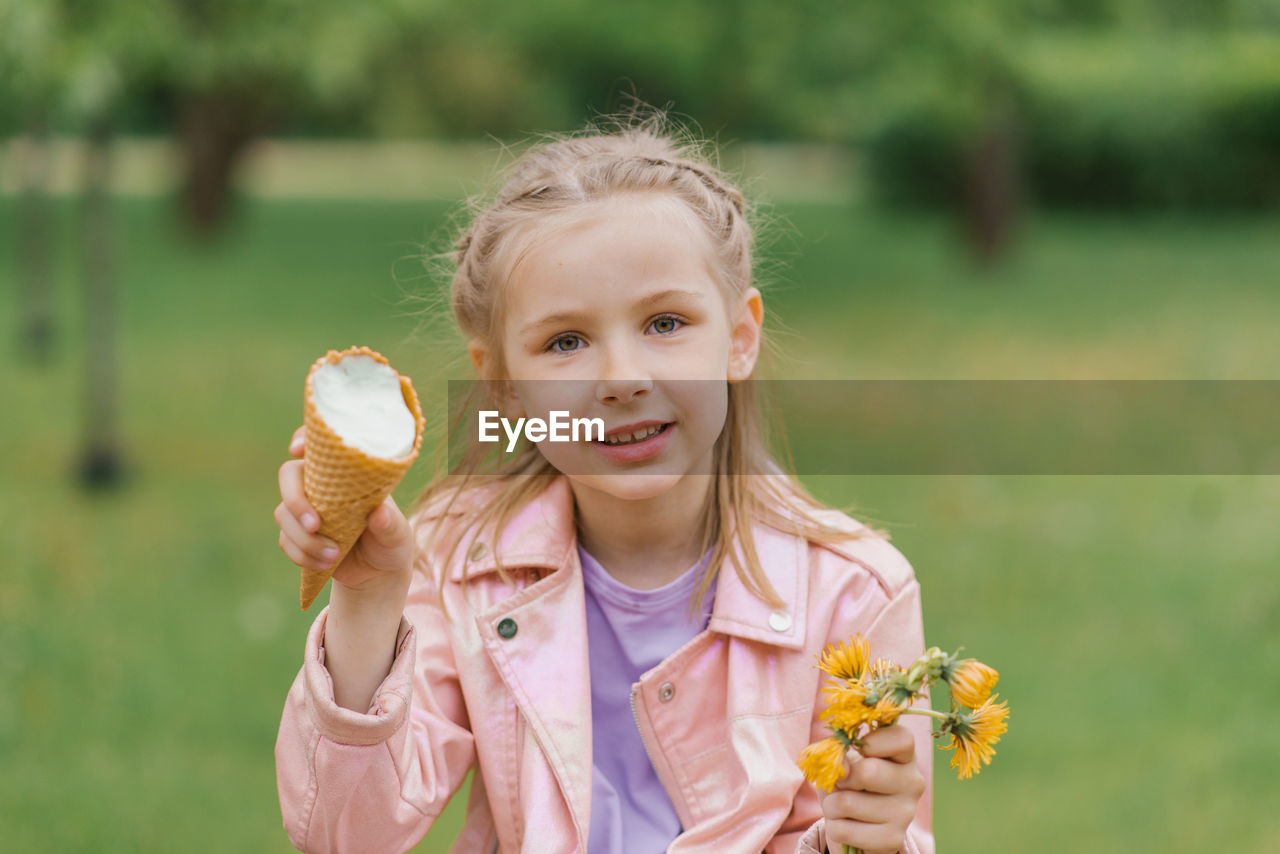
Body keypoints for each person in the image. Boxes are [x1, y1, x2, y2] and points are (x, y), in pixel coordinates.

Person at [273, 106, 933, 854]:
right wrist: (367, 597)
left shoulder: (856, 594)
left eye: (664, 324)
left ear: (739, 338)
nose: (621, 378)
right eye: (565, 342)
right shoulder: (455, 557)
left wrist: (875, 840)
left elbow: (862, 831)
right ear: (507, 389)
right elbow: (342, 837)